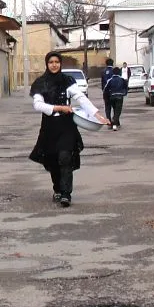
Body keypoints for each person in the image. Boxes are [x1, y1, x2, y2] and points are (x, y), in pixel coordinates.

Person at [28, 51, 109, 207]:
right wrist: (59, 107)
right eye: (51, 62)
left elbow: (81, 98)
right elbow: (38, 105)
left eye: (57, 62)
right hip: (49, 126)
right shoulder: (40, 82)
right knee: (52, 159)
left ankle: (66, 194)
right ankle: (57, 189)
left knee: (65, 157)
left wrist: (97, 115)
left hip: (66, 125)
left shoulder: (67, 81)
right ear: (47, 64)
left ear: (60, 64)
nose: (54, 65)